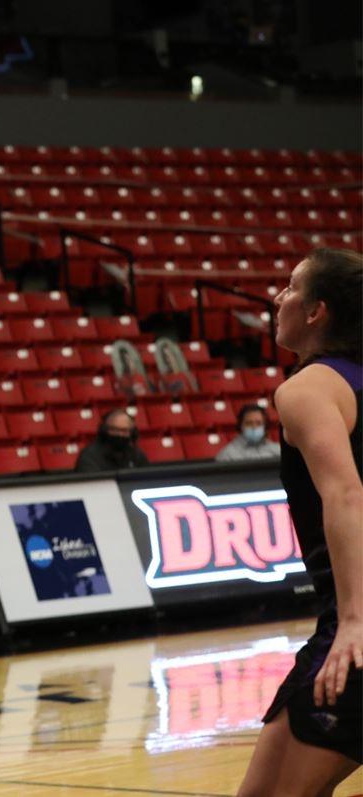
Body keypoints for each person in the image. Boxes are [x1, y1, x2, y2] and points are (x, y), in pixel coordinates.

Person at [238, 248, 363, 796]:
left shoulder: (307, 389)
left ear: (316, 311)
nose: (278, 298)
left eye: (290, 287)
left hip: (355, 620)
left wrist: (356, 621)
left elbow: (344, 494)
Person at [74, 409, 151, 472]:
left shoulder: (136, 454)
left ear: (132, 433)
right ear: (104, 431)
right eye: (115, 430)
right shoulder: (90, 456)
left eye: (124, 431)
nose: (120, 435)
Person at [215, 403, 281, 462]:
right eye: (249, 423)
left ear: (265, 426)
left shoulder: (278, 451)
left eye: (259, 423)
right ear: (240, 426)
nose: (254, 427)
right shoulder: (227, 455)